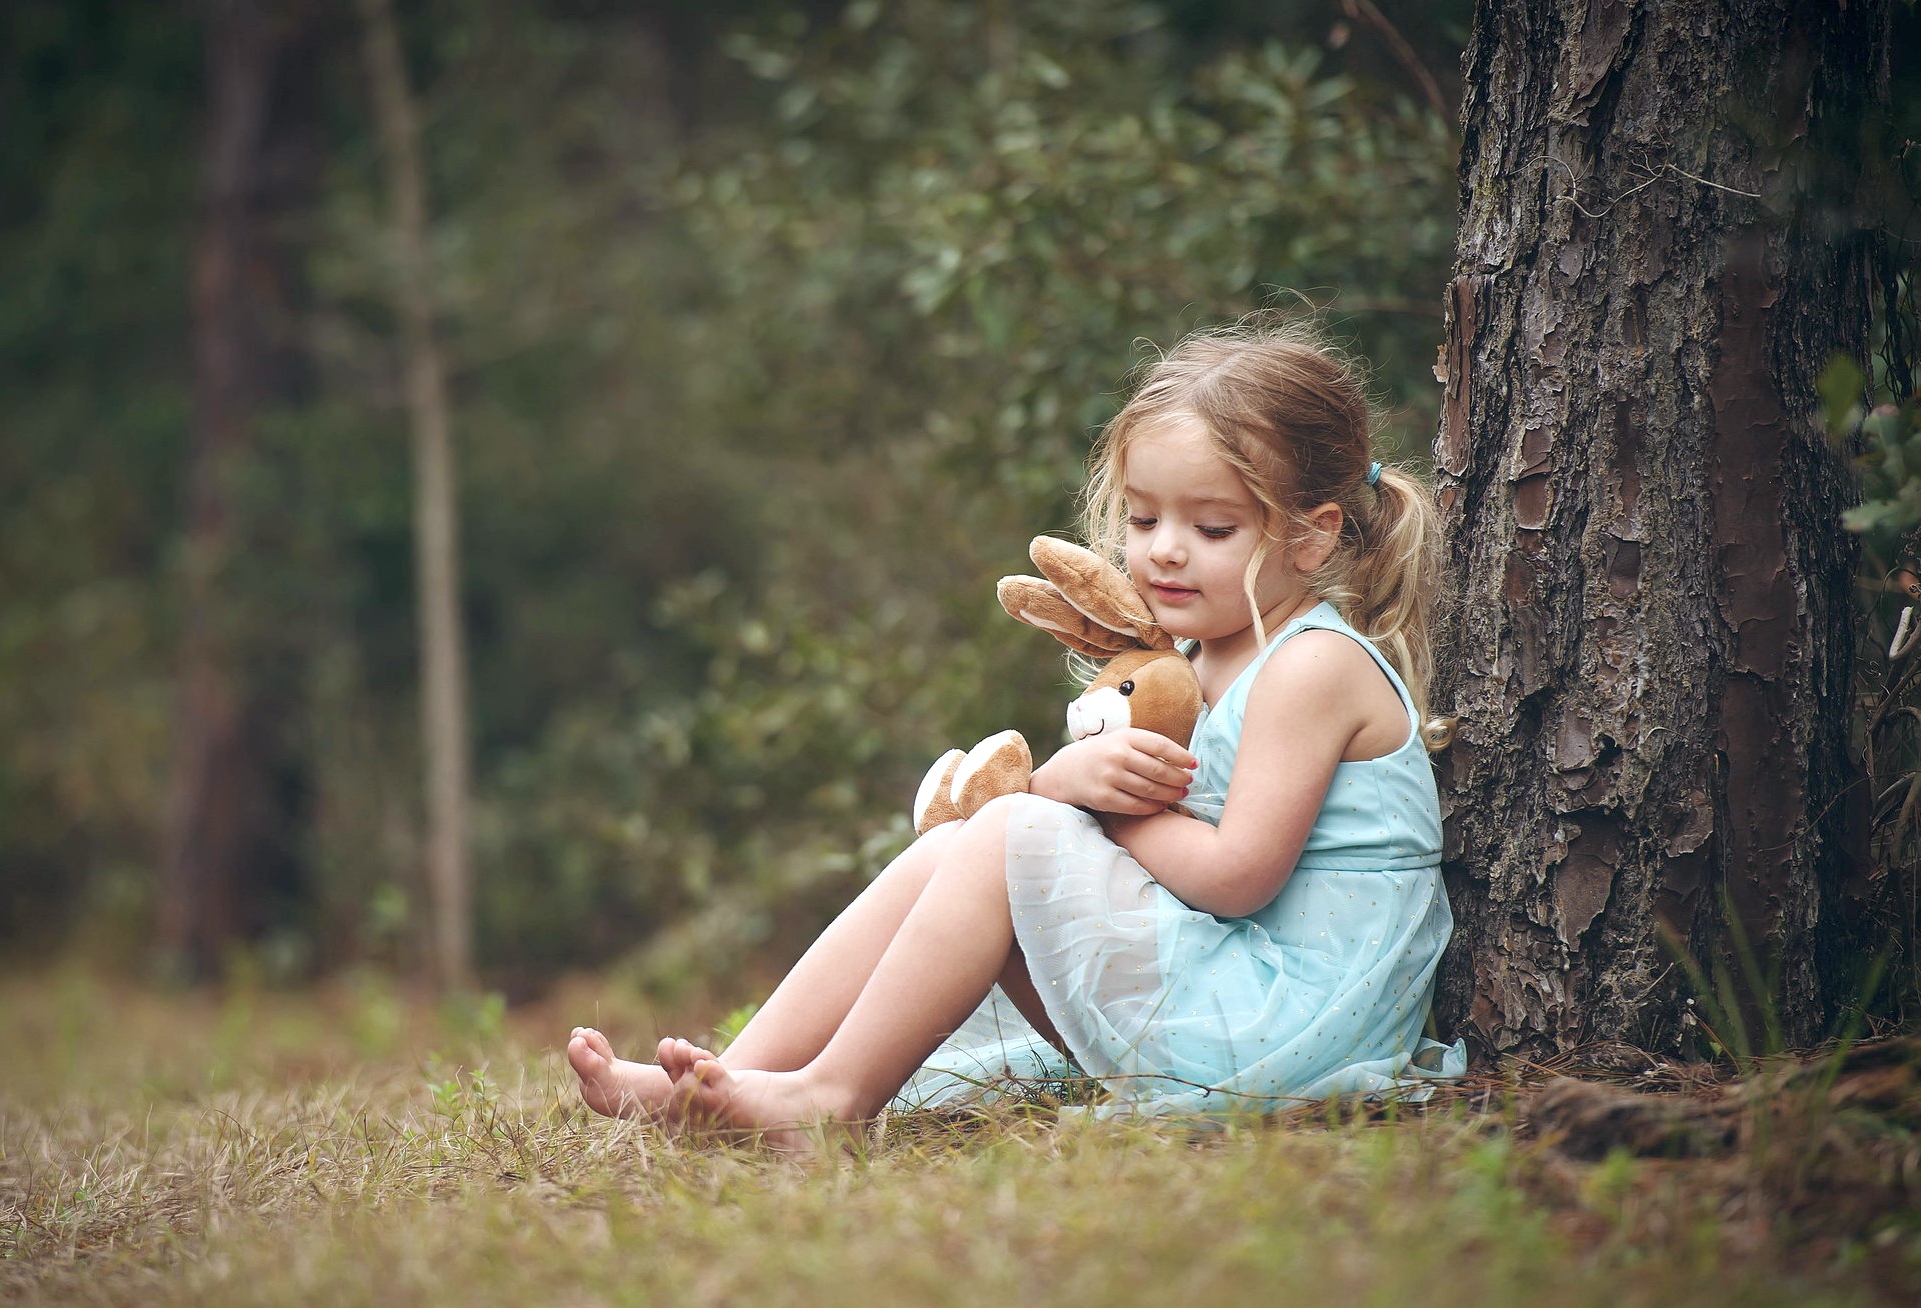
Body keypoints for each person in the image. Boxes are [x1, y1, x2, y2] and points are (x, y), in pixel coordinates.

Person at [567, 322, 1462, 1148]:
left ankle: (828, 1103)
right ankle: (737, 1078)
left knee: (1006, 831)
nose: (1164, 551)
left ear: (1311, 536)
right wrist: (1071, 794)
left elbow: (1235, 878)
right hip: (1226, 993)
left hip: (1287, 1023)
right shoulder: (1192, 650)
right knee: (966, 839)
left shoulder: (1310, 666)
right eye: (1144, 520)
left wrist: (1088, 800)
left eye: (1213, 527)